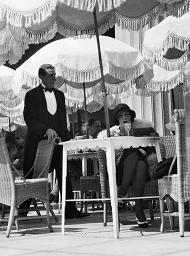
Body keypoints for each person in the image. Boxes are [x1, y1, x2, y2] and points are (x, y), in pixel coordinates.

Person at [20, 63, 88, 219]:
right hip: (37, 144)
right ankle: (22, 210)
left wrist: (65, 140)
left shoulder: (59, 95)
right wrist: (46, 130)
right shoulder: (31, 95)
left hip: (57, 143)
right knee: (31, 176)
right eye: (50, 75)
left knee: (64, 173)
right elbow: (29, 119)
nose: (54, 78)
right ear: (41, 77)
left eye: (54, 75)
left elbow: (62, 120)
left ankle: (70, 210)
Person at [98, 103, 154, 228]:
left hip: (140, 170)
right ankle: (138, 211)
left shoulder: (140, 130)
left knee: (139, 164)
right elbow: (111, 155)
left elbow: (150, 150)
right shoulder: (112, 134)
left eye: (127, 114)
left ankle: (123, 195)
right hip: (119, 171)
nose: (124, 117)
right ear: (117, 120)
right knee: (132, 151)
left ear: (131, 117)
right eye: (121, 116)